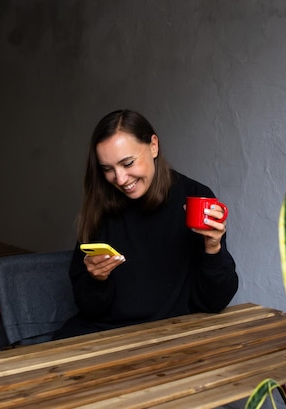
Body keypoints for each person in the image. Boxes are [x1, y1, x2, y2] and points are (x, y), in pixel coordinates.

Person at [53, 109, 238, 339]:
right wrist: (97, 279)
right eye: (108, 169)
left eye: (128, 163)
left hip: (172, 333)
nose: (120, 179)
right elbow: (89, 307)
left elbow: (215, 302)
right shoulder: (101, 205)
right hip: (105, 334)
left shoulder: (194, 198)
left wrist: (213, 249)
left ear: (153, 145)